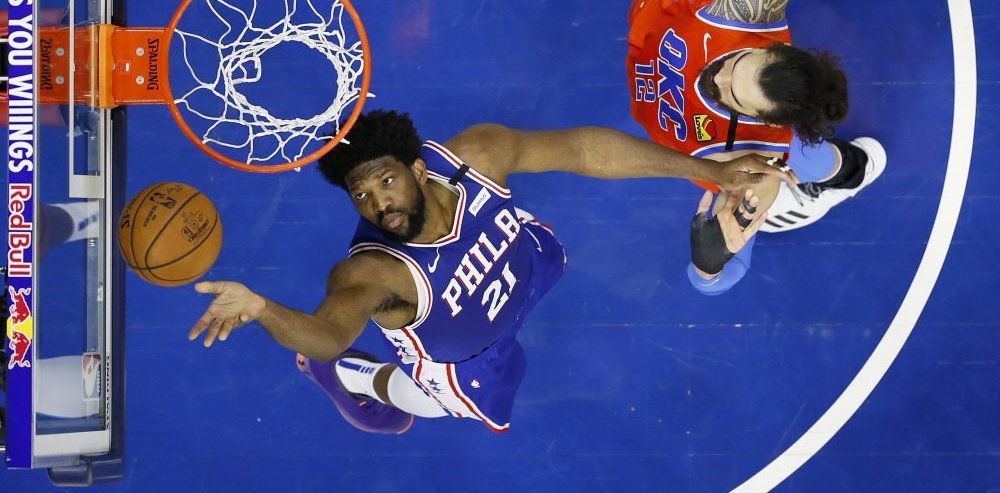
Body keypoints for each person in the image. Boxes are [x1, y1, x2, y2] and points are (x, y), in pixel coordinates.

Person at [187, 110, 796, 433]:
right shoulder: (373, 273)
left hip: (525, 267)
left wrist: (707, 171)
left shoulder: (474, 156)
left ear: (419, 167)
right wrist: (263, 309)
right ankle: (355, 382)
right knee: (426, 406)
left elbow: (583, 149)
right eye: (361, 195)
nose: (379, 205)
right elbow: (328, 331)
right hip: (463, 357)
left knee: (547, 261)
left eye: (387, 180)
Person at [625, 0, 887, 295]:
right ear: (769, 44)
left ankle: (843, 172)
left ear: (760, 120)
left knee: (802, 158)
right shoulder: (750, 9)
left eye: (730, 92)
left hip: (657, 65)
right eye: (738, 63)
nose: (717, 75)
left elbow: (712, 281)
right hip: (660, 7)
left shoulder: (749, 161)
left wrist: (708, 262)